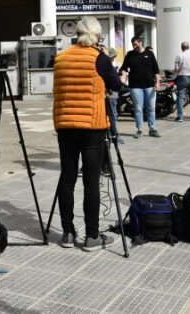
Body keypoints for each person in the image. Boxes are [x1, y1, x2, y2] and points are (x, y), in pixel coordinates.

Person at [53, 17, 122, 251]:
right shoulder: (99, 58)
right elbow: (116, 85)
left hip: (65, 125)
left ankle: (67, 233)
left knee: (67, 179)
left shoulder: (61, 58)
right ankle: (92, 236)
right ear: (98, 35)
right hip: (92, 127)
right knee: (91, 182)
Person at [119, 37, 161, 138]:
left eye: (136, 44)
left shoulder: (149, 54)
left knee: (151, 107)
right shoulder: (130, 55)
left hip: (149, 86)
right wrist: (123, 75)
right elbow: (123, 68)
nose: (134, 46)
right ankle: (140, 129)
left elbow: (156, 70)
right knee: (138, 108)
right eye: (133, 44)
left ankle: (152, 129)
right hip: (135, 86)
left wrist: (158, 83)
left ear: (141, 42)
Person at [173, 41, 190, 122]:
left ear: (181, 47)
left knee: (180, 97)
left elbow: (176, 68)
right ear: (188, 47)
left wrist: (176, 72)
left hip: (182, 77)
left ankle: (180, 117)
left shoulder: (179, 55)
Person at [106, 48, 124, 145]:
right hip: (111, 94)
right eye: (113, 57)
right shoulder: (107, 66)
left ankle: (111, 134)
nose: (114, 58)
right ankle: (115, 135)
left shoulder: (108, 66)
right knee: (113, 115)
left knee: (113, 114)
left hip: (113, 94)